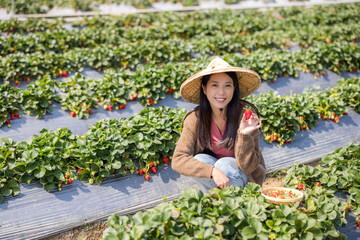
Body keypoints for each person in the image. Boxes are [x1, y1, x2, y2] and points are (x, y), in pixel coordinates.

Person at [171, 56, 266, 189]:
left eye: (227, 85)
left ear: (234, 88)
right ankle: (218, 200)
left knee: (225, 164)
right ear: (204, 89)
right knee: (200, 160)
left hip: (244, 179)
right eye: (214, 85)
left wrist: (244, 135)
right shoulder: (195, 118)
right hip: (217, 177)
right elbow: (178, 160)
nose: (221, 92)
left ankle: (236, 201)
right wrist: (212, 171)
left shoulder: (245, 117)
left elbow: (249, 167)